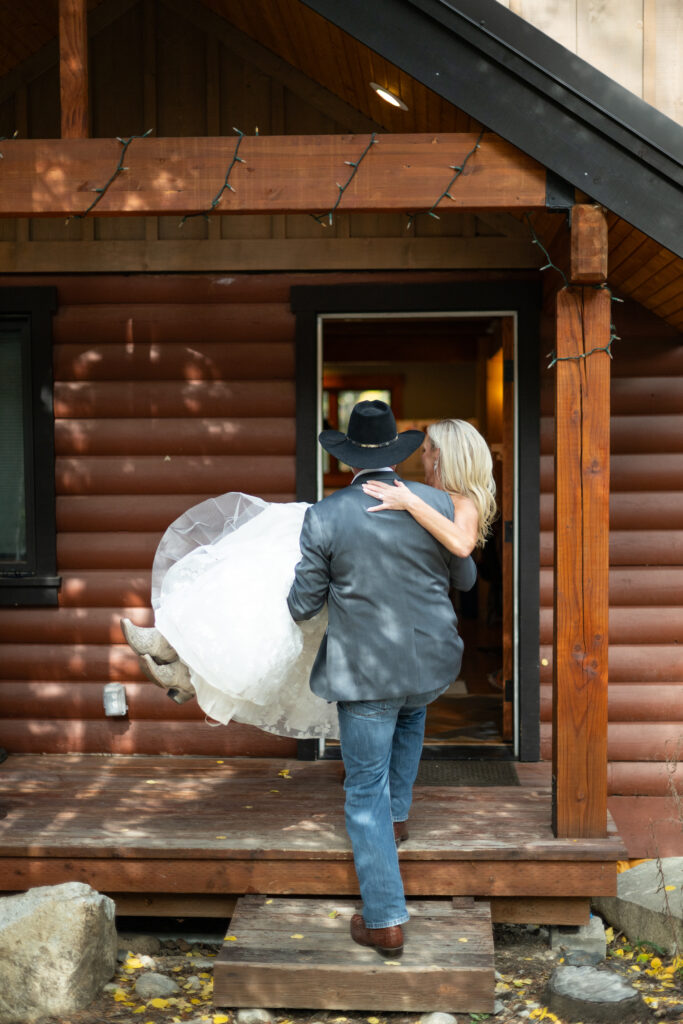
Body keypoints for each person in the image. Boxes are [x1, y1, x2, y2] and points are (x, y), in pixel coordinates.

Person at [286, 401, 477, 958]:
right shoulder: (437, 502)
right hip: (431, 664)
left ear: (347, 461)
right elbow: (464, 574)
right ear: (397, 454)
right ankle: (395, 823)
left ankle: (386, 919)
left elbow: (302, 606)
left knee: (361, 789)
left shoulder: (325, 515)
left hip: (367, 675)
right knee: (411, 714)